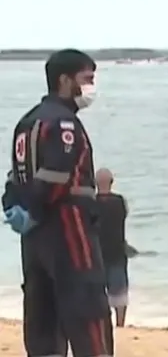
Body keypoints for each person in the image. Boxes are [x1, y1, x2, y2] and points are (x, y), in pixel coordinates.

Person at [3, 49, 113, 357]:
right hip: (68, 224)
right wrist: (37, 208)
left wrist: (16, 208)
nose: (92, 86)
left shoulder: (26, 122)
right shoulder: (64, 124)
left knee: (42, 313)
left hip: (34, 237)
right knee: (87, 307)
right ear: (64, 81)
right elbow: (57, 174)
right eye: (87, 79)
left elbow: (16, 175)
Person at [95, 168, 131, 328]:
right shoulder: (120, 201)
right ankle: (120, 324)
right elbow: (125, 214)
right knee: (120, 292)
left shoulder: (91, 203)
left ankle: (102, 322)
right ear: (112, 182)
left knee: (97, 292)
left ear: (95, 183)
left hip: (97, 253)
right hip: (117, 251)